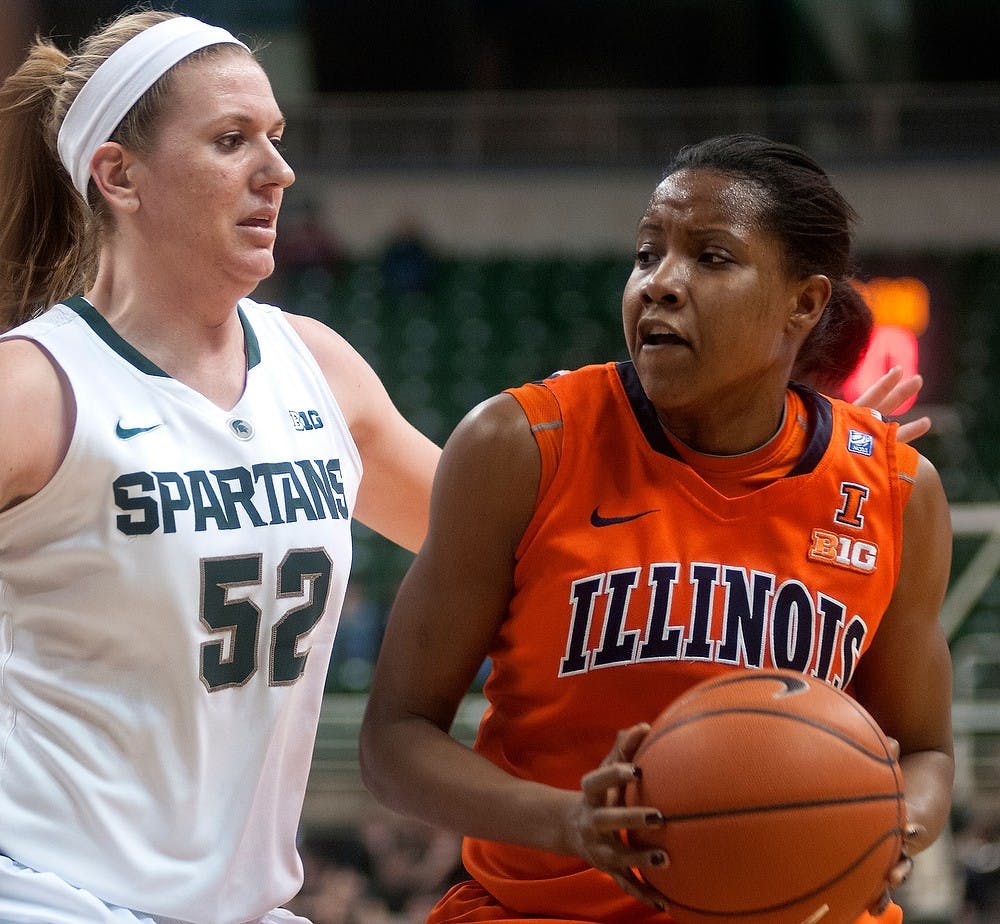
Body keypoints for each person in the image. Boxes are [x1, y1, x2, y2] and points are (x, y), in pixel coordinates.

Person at [359, 134, 954, 924]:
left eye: (711, 258)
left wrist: (888, 828)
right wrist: (568, 823)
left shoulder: (894, 490)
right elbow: (393, 741)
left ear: (803, 304)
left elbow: (926, 751)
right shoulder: (521, 445)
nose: (660, 285)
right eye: (647, 254)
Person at [0, 10, 439, 924]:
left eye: (276, 140)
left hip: (242, 907)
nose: (277, 172)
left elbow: (499, 551)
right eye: (232, 140)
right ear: (119, 174)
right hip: (48, 896)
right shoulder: (34, 388)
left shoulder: (318, 366)